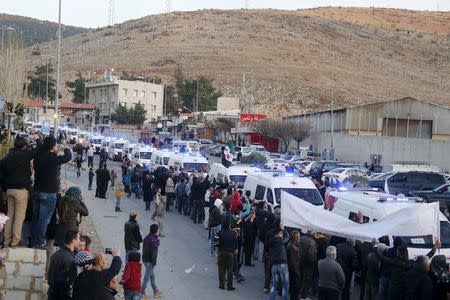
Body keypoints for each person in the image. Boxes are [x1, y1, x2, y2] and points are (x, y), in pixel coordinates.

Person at [32, 137, 72, 249]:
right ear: (52, 147)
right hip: (48, 193)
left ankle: (34, 239)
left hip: (37, 190)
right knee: (44, 220)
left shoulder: (39, 156)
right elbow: (68, 157)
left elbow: (41, 147)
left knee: (36, 218)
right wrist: (66, 148)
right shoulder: (51, 159)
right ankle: (38, 242)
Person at [0, 136, 37, 248]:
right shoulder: (25, 155)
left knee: (10, 216)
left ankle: (6, 241)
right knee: (19, 217)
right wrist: (37, 139)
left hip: (9, 190)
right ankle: (15, 241)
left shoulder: (8, 156)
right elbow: (37, 149)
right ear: (24, 145)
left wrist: (4, 187)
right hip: (21, 191)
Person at [47, 230, 80, 300]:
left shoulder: (56, 254)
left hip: (52, 293)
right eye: (78, 239)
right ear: (73, 241)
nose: (79, 241)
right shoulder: (69, 259)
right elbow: (69, 282)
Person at [267, 226, 290, 300]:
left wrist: (282, 230)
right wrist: (284, 230)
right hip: (282, 265)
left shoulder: (271, 242)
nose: (282, 234)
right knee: (285, 284)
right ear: (276, 235)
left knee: (274, 285)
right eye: (280, 233)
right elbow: (288, 237)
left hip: (274, 266)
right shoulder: (280, 240)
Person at [216, 216, 237, 290]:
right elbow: (235, 244)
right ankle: (229, 285)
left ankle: (221, 284)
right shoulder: (233, 233)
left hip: (221, 252)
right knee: (230, 270)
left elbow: (215, 243)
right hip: (230, 253)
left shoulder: (219, 232)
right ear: (229, 224)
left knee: (221, 269)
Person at [142, 224, 163, 299]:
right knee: (147, 277)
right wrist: (154, 263)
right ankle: (142, 293)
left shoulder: (147, 237)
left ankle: (155, 290)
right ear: (156, 231)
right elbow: (153, 254)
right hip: (150, 262)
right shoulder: (154, 242)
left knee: (152, 276)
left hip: (145, 259)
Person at [300, 231, 318, 299]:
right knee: (307, 279)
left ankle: (300, 293)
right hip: (309, 262)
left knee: (301, 277)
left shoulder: (302, 238)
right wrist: (314, 261)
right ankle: (303, 296)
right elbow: (312, 254)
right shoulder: (312, 242)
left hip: (302, 260)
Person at [287, 230, 301, 300]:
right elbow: (293, 262)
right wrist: (297, 272)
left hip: (294, 270)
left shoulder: (294, 245)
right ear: (295, 237)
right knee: (295, 288)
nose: (299, 238)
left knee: (295, 288)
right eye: (298, 236)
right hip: (294, 271)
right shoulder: (292, 247)